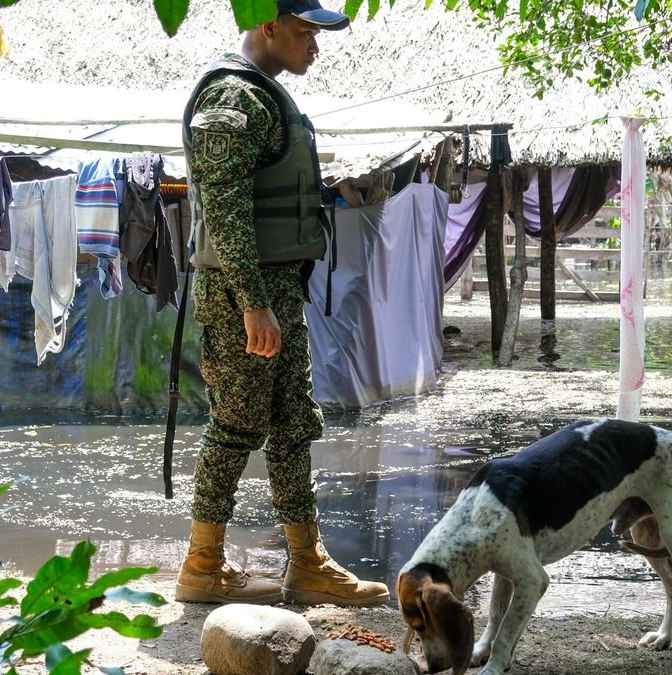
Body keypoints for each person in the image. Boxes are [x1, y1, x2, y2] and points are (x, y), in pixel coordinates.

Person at [177, 0, 388, 606]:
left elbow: (269, 187)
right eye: (304, 33)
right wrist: (252, 302)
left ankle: (307, 562)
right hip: (241, 294)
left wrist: (334, 192)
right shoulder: (232, 98)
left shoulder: (266, 95)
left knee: (294, 425)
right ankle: (202, 566)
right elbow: (224, 207)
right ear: (267, 27)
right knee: (235, 426)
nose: (314, 47)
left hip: (276, 290)